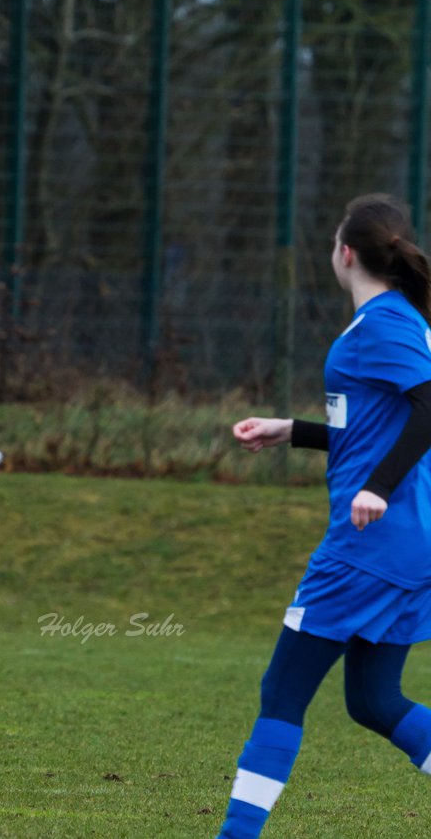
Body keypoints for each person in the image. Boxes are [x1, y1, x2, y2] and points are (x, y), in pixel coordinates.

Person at [216, 194, 431, 838]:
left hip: (370, 544)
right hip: (407, 546)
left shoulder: (386, 324)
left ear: (344, 253)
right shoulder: (391, 320)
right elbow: (377, 425)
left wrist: (379, 489)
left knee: (282, 693)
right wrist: (294, 431)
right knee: (372, 701)